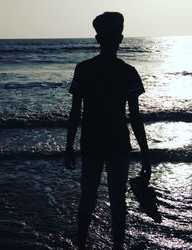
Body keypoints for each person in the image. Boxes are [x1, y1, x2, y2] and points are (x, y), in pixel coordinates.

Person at [64, 12, 151, 250]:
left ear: (97, 38)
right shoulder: (128, 72)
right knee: (118, 202)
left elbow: (75, 113)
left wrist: (69, 146)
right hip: (117, 144)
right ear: (120, 38)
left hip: (91, 142)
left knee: (87, 200)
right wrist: (145, 152)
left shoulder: (83, 69)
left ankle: (81, 246)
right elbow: (134, 116)